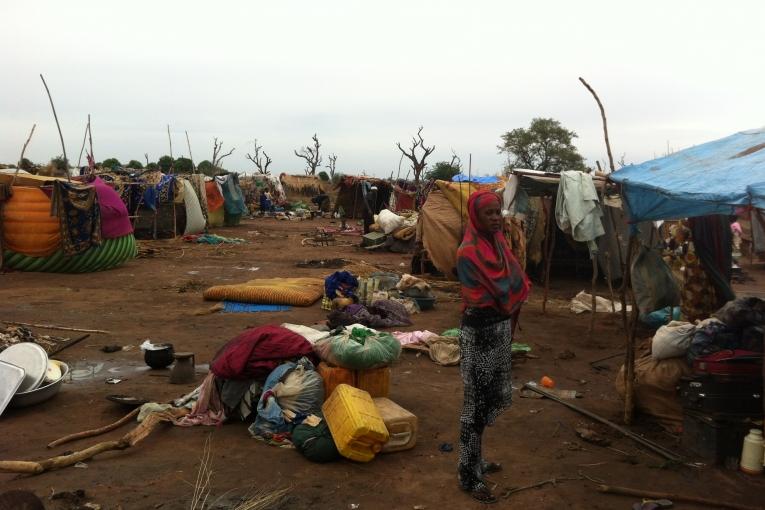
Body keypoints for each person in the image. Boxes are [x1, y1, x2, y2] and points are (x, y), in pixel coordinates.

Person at [455, 190, 530, 504]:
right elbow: (503, 288)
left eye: (498, 212)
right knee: (474, 406)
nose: (496, 217)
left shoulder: (498, 244)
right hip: (478, 332)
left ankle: (475, 460)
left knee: (494, 397)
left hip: (499, 329)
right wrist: (508, 299)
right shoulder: (468, 253)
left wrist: (508, 304)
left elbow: (514, 281)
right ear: (476, 217)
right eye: (489, 213)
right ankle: (468, 475)